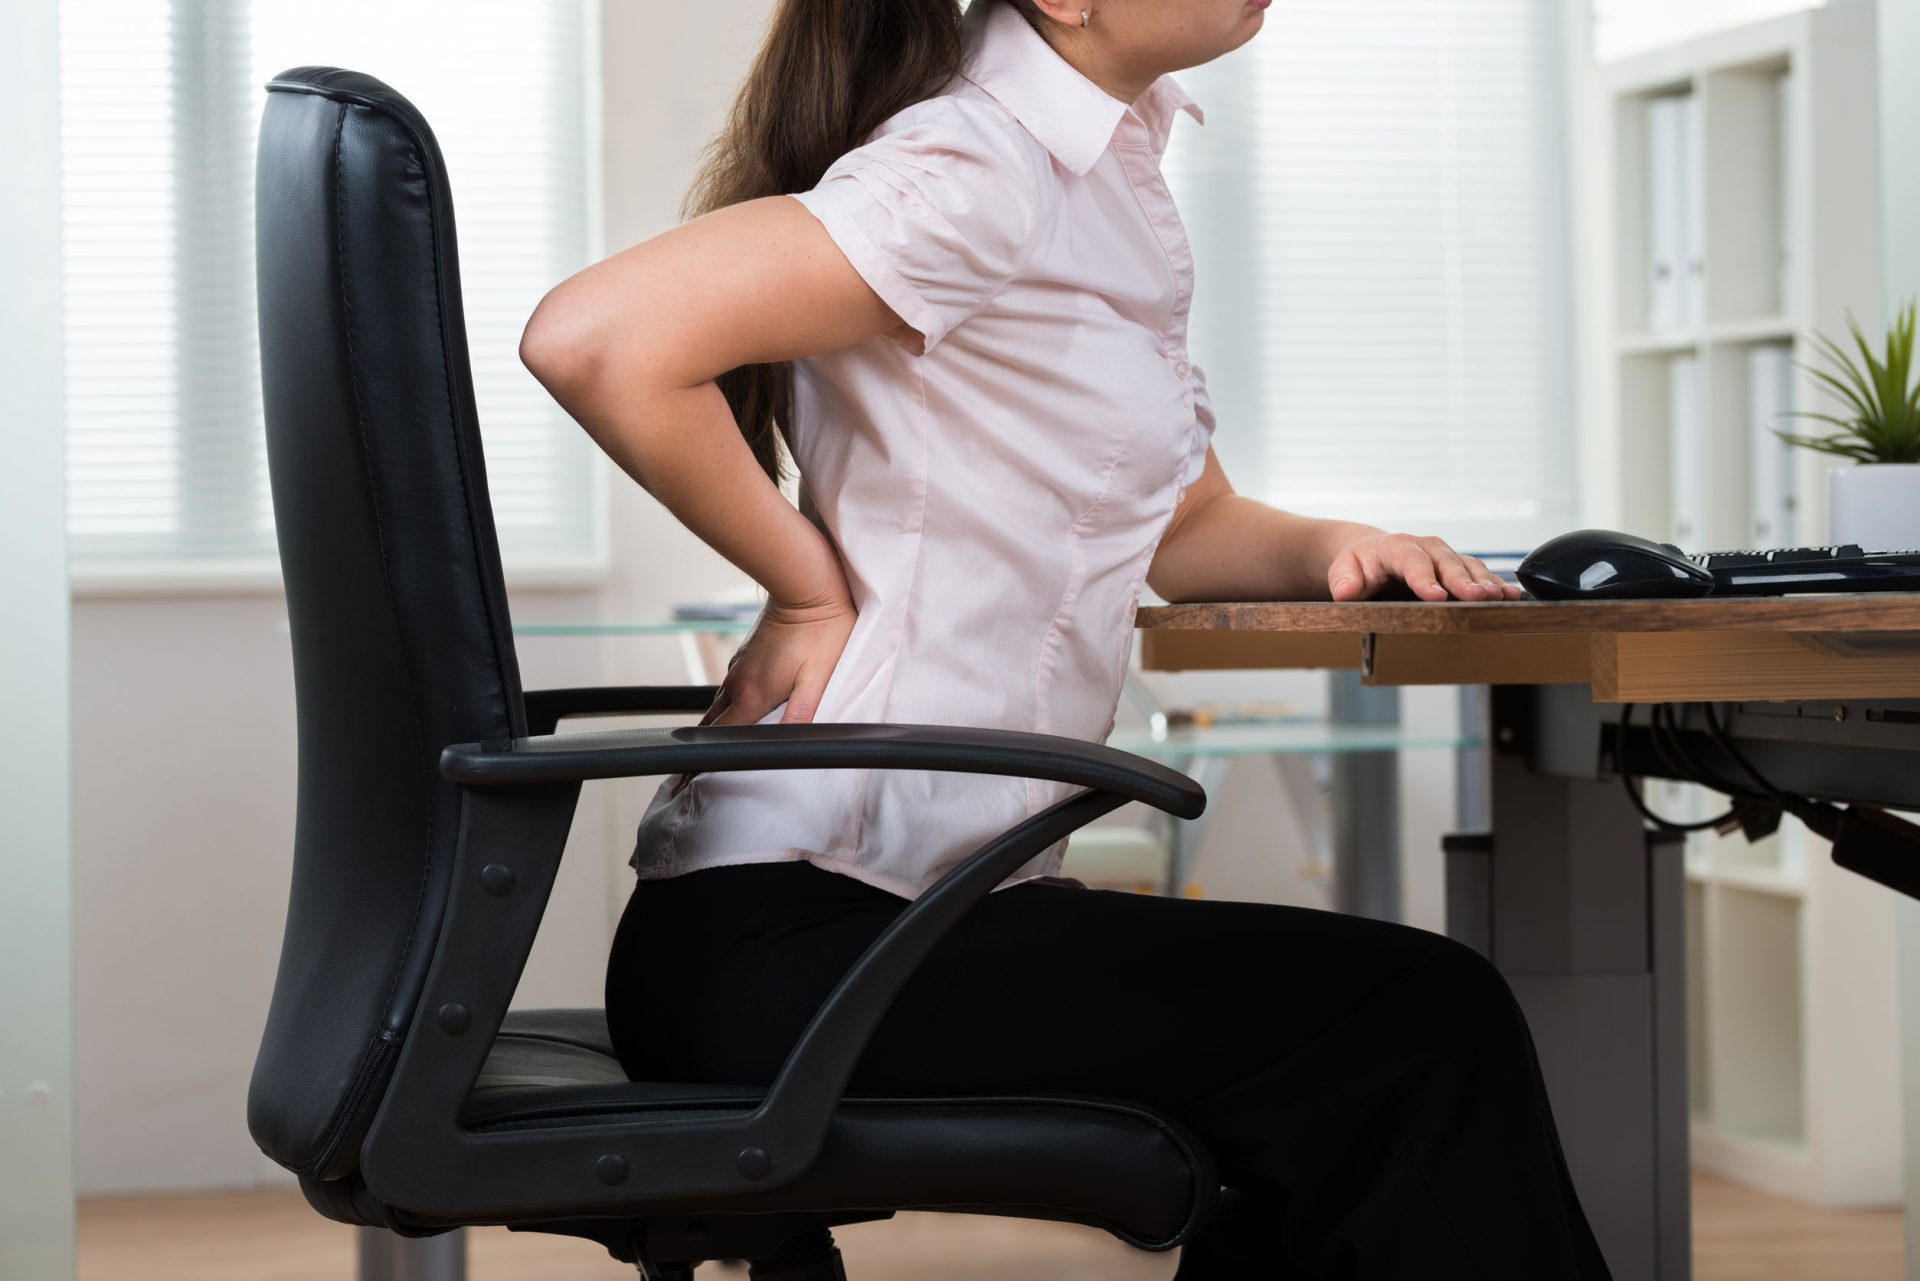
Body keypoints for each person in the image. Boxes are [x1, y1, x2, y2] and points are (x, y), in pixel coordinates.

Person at [518, 0, 1610, 1275]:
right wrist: (806, 591)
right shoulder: (979, 162)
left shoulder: (1099, 164)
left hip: (873, 923)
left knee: (1342, 1068)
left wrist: (1330, 547)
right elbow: (596, 339)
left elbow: (1180, 521)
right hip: (816, 941)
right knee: (1423, 1019)